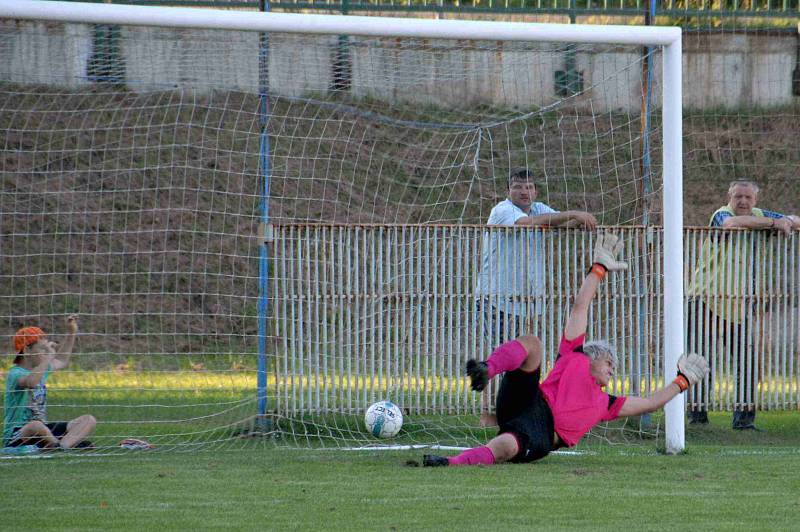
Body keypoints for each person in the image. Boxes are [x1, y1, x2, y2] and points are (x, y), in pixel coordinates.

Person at [423, 234, 709, 466]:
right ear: (593, 357)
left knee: (505, 447)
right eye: (610, 362)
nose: (613, 370)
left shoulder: (606, 403)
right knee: (532, 344)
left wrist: (681, 381)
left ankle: (449, 462)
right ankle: (486, 369)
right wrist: (598, 270)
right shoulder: (573, 355)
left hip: (542, 433)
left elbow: (650, 403)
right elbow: (580, 306)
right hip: (528, 400)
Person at [474, 167, 597, 425]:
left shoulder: (540, 209)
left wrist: (580, 222)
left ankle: (513, 412)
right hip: (495, 298)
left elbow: (557, 221)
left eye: (529, 187)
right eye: (518, 187)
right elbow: (525, 224)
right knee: (499, 355)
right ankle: (488, 416)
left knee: (522, 360)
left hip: (527, 300)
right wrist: (574, 213)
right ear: (509, 190)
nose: (524, 191)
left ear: (536, 190)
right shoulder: (503, 211)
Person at [686, 180, 800, 430]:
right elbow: (730, 224)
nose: (743, 202)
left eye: (748, 197)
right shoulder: (721, 214)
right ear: (729, 196)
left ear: (756, 200)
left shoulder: (759, 215)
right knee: (701, 360)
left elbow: (793, 219)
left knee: (747, 361)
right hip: (707, 298)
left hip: (739, 303)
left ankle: (744, 421)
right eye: (738, 196)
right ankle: (697, 418)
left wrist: (787, 220)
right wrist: (774, 223)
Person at [3, 315, 96, 450]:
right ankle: (61, 444)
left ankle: (61, 447)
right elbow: (31, 382)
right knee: (36, 425)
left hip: (44, 431)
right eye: (42, 349)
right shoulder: (15, 373)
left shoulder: (41, 369)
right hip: (19, 433)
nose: (46, 353)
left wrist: (71, 332)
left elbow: (62, 360)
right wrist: (48, 358)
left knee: (88, 420)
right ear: (27, 350)